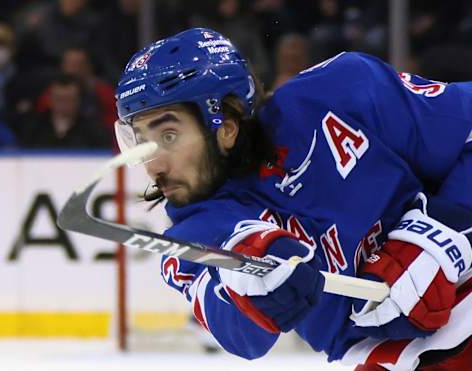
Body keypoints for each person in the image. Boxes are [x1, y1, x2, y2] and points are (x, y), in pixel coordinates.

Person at [114, 28, 472, 370]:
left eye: (169, 135)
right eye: (140, 141)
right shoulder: (197, 230)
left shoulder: (341, 91)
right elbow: (241, 336)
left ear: (224, 125)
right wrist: (250, 291)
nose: (153, 165)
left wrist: (439, 233)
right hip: (413, 358)